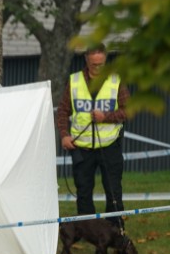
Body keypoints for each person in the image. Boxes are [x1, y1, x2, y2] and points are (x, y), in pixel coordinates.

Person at [56, 43, 131, 225]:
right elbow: (63, 111)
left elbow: (128, 111)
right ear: (86, 61)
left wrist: (106, 117)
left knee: (113, 192)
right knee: (83, 193)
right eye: (93, 64)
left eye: (101, 64)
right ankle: (88, 232)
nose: (97, 68)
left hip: (109, 146)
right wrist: (64, 135)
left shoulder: (116, 81)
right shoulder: (74, 81)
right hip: (81, 147)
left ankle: (115, 233)